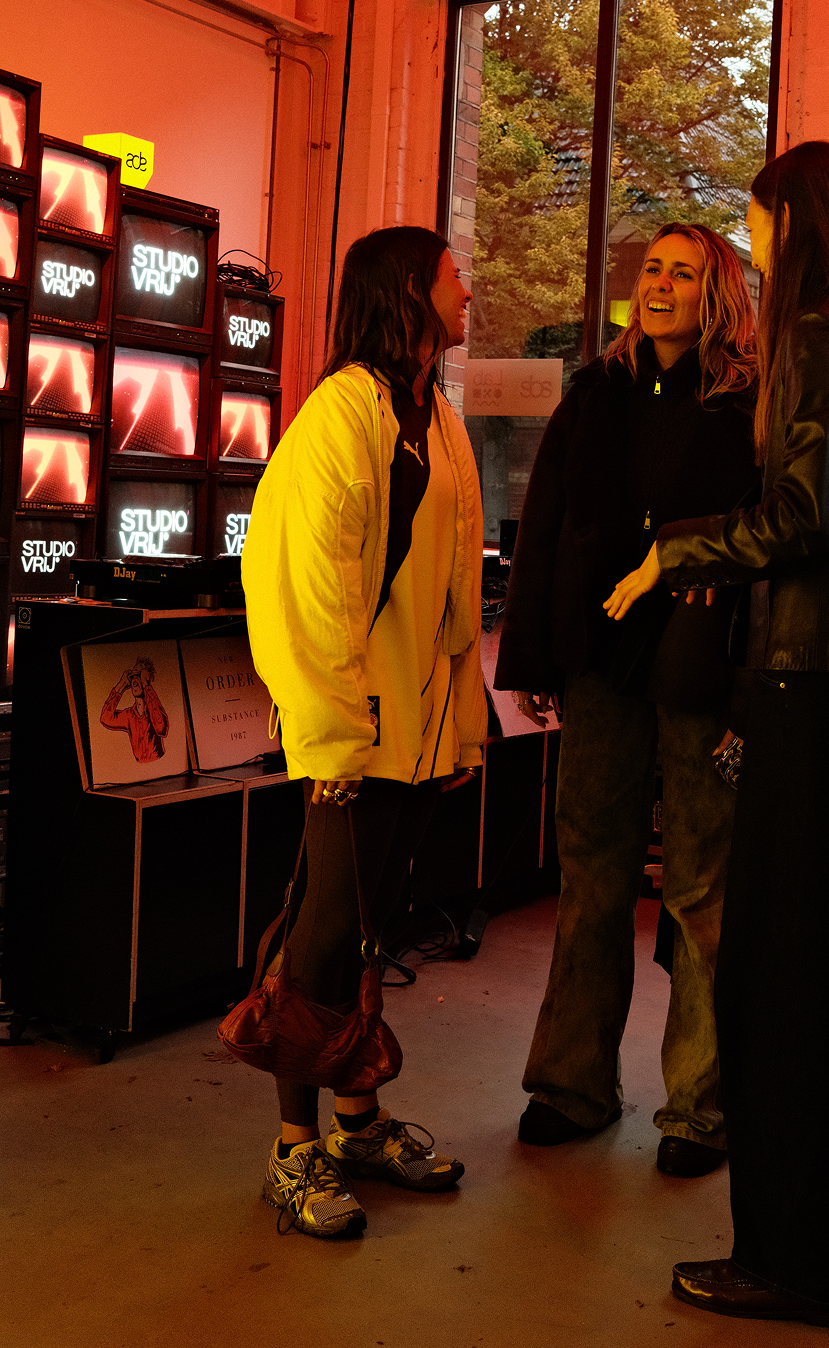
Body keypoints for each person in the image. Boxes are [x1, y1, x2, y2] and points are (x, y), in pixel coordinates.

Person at [605, 141, 829, 1327]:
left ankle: (795, 1262)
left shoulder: (812, 336)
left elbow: (799, 517)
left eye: (755, 224)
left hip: (815, 684)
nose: (750, 245)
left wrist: (671, 552)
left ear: (793, 220)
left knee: (778, 984)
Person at [495, 223, 760, 1177]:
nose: (658, 285)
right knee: (592, 873)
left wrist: (754, 687)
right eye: (651, 269)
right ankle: (571, 1085)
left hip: (700, 667)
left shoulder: (747, 403)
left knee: (699, 889)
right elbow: (547, 531)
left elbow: (765, 545)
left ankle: (698, 1108)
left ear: (715, 294)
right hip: (601, 668)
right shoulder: (593, 394)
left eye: (681, 274)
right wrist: (530, 660)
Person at [241, 226, 486, 1237]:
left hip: (410, 734)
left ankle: (356, 1120)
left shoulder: (428, 413)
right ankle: (291, 1148)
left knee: (370, 931)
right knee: (322, 941)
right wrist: (335, 735)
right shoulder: (339, 416)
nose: (466, 288)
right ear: (408, 293)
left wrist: (456, 726)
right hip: (355, 735)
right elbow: (300, 587)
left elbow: (451, 598)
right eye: (451, 274)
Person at [100, 658, 169, 762]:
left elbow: (161, 729)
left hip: (162, 764)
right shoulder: (129, 715)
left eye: (139, 676)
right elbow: (105, 718)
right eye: (133, 677)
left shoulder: (153, 709)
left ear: (147, 678)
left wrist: (146, 685)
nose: (135, 681)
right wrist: (121, 685)